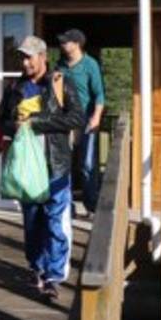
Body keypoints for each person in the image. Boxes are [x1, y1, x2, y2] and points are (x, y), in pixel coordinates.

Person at [0, 36, 84, 300]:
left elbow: (77, 117)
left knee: (55, 222)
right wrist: (17, 126)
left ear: (43, 56)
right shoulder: (15, 87)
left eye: (30, 57)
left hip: (55, 165)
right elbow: (1, 120)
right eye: (22, 57)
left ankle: (53, 276)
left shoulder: (60, 83)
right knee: (33, 222)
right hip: (26, 167)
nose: (25, 62)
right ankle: (37, 268)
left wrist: (36, 121)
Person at [56, 29, 106, 214]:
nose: (63, 45)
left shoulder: (90, 64)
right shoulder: (60, 65)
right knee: (64, 163)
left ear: (77, 44)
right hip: (66, 119)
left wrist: (96, 117)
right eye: (61, 42)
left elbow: (99, 94)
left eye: (66, 42)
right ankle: (66, 206)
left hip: (86, 119)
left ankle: (91, 204)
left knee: (87, 164)